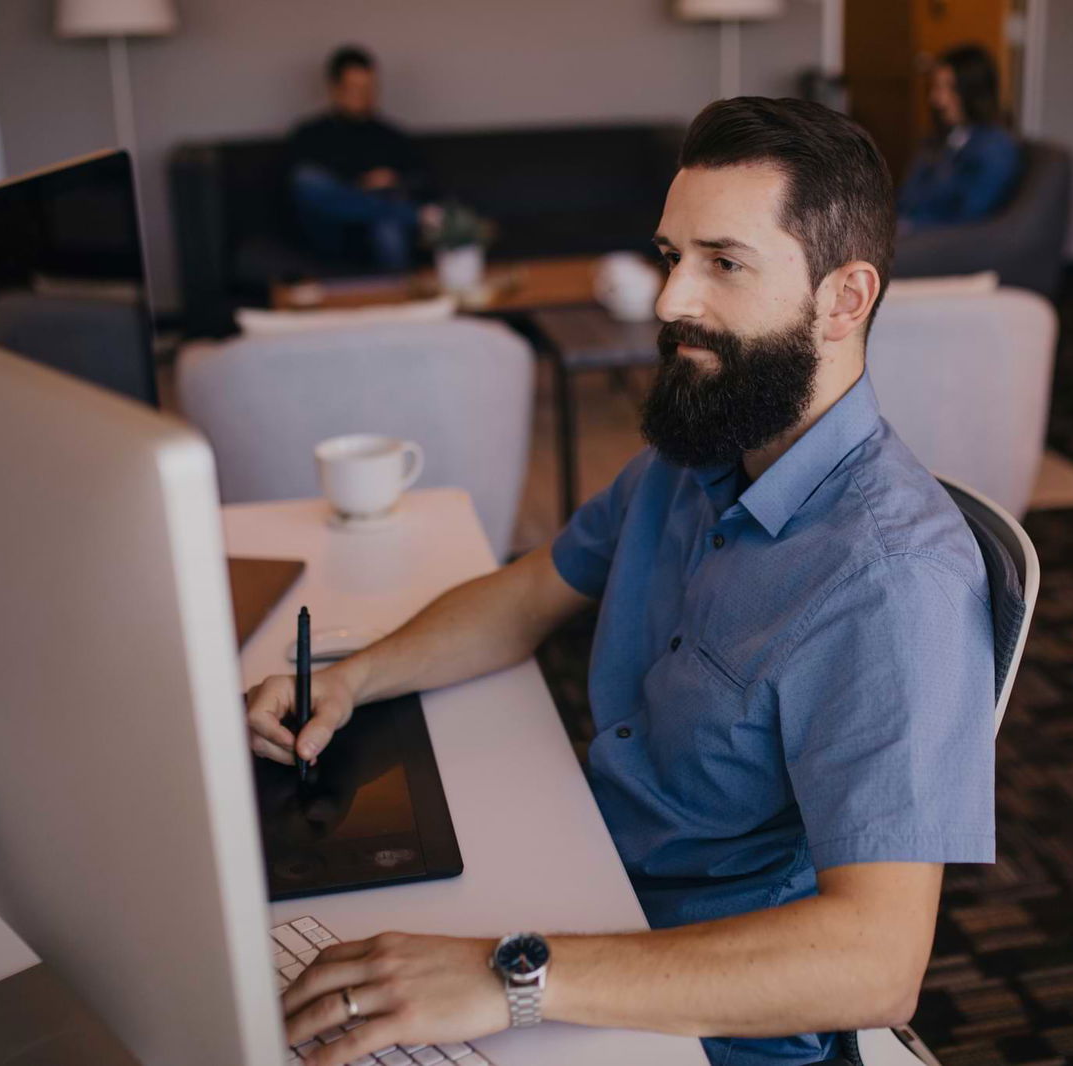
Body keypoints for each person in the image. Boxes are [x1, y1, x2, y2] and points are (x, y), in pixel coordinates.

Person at [246, 97, 996, 1066]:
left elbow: (876, 961)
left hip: (695, 1014)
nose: (668, 299)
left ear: (844, 298)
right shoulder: (699, 453)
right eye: (669, 255)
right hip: (582, 893)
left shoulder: (893, 578)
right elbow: (525, 596)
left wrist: (508, 975)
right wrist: (352, 679)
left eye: (722, 263)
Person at [288, 46, 432, 272]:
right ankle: (410, 215)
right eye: (354, 89)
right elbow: (303, 194)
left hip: (378, 230)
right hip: (330, 231)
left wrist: (393, 180)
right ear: (335, 89)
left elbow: (423, 180)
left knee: (387, 224)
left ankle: (397, 299)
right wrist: (357, 187)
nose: (363, 96)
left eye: (369, 88)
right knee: (307, 181)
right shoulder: (310, 135)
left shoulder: (391, 136)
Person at [898, 44, 1023, 231]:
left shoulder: (994, 148)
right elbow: (907, 199)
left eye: (948, 89)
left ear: (972, 92)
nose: (937, 99)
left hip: (938, 245)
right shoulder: (942, 140)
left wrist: (907, 230)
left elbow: (969, 218)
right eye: (935, 88)